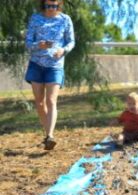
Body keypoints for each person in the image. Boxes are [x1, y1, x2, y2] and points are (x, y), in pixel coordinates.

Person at [25, 0, 75, 150]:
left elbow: (71, 41)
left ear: (59, 5)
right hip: (36, 64)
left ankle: (50, 136)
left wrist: (63, 50)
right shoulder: (35, 18)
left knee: (51, 100)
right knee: (40, 103)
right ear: (43, 5)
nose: (51, 9)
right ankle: (47, 134)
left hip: (55, 65)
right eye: (48, 6)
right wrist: (37, 45)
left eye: (54, 6)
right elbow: (28, 43)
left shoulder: (65, 19)